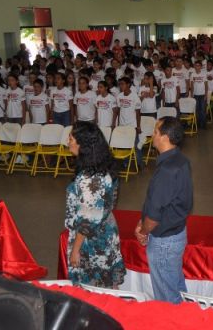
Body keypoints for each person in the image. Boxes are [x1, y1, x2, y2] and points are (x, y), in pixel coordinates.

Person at [135, 117, 192, 303]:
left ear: (165, 137)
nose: (152, 135)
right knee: (176, 287)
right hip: (176, 233)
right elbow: (161, 200)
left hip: (164, 242)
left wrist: (143, 231)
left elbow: (154, 215)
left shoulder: (167, 169)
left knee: (167, 298)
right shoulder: (180, 160)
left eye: (155, 132)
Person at [65, 122, 125, 288]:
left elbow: (87, 220)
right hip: (106, 230)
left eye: (71, 138)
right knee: (108, 286)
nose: (68, 142)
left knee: (92, 289)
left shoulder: (89, 179)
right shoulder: (105, 166)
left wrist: (75, 250)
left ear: (82, 144)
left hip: (92, 241)